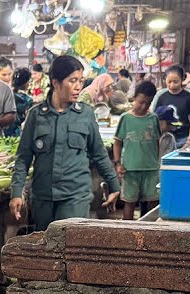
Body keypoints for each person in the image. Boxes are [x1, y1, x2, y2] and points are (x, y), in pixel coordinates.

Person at [10, 56, 121, 232]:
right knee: (45, 251)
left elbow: (99, 154)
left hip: (75, 197)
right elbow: (23, 157)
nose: (78, 87)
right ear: (56, 83)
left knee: (70, 251)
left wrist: (114, 185)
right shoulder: (36, 116)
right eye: (72, 81)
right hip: (42, 198)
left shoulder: (85, 114)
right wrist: (16, 192)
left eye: (81, 81)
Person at [114, 81, 161, 220]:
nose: (144, 106)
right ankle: (126, 234)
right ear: (134, 98)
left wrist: (159, 163)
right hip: (130, 169)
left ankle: (153, 233)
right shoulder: (126, 118)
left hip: (151, 168)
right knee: (129, 203)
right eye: (141, 102)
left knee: (153, 201)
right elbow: (117, 143)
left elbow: (158, 143)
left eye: (148, 103)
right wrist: (118, 163)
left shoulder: (153, 119)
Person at [154, 66, 190, 146]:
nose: (172, 85)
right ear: (165, 80)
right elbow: (155, 117)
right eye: (169, 82)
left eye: (175, 82)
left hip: (183, 137)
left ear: (182, 80)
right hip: (165, 137)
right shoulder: (161, 96)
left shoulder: (188, 96)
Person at [7, 68, 33, 138]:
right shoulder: (27, 100)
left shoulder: (7, 95)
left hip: (5, 131)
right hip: (18, 133)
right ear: (27, 82)